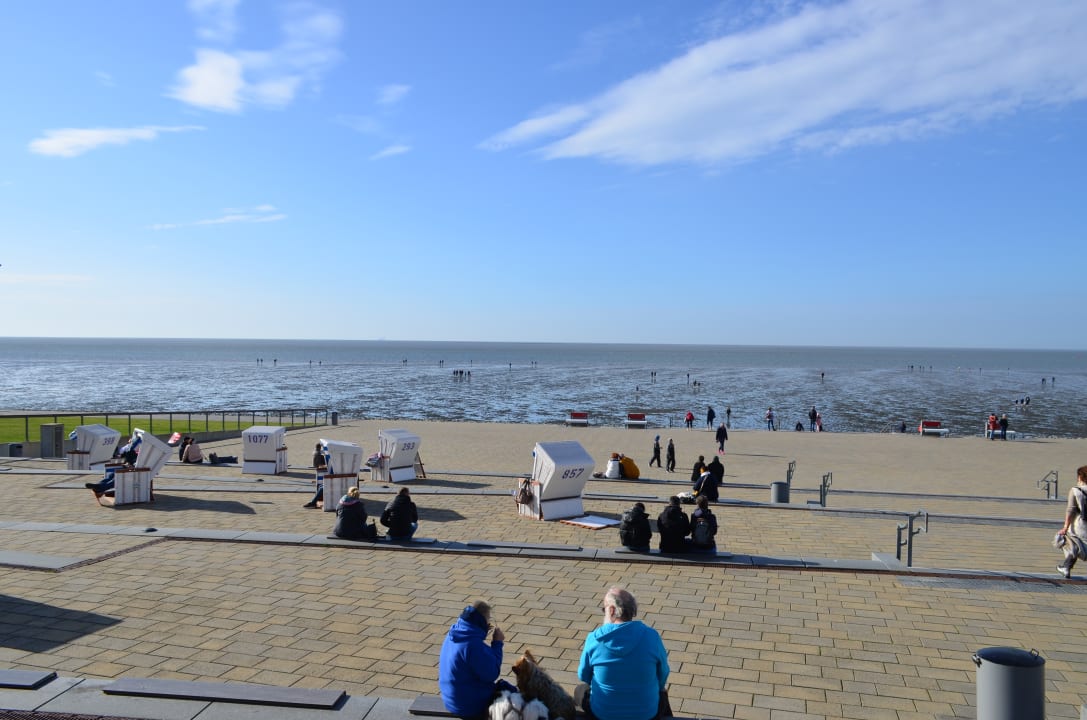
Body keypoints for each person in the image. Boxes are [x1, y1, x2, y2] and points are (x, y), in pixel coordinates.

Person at [576, 587, 669, 720]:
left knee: (580, 690)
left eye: (604, 609)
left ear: (612, 610)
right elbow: (663, 672)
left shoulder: (594, 639)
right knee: (662, 693)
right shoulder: (652, 636)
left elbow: (583, 675)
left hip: (604, 715)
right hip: (647, 715)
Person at [438, 600, 516, 718]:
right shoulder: (473, 645)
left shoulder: (453, 633)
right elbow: (492, 674)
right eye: (488, 620)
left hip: (450, 700)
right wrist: (497, 643)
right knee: (514, 696)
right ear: (483, 621)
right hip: (468, 706)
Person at [1056, 465, 1087, 579]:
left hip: (1079, 525)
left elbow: (1071, 510)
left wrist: (1065, 527)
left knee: (1072, 543)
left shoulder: (1076, 490)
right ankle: (1066, 566)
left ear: (1080, 477)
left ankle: (1066, 567)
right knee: (1077, 546)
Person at [303, 442, 327, 508]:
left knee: (321, 486)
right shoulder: (319, 454)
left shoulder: (315, 452)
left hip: (317, 466)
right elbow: (322, 464)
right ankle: (314, 501)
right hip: (320, 467)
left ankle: (313, 502)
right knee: (321, 486)